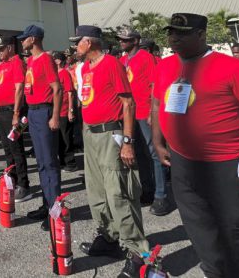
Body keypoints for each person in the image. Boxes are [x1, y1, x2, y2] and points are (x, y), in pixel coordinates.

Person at [151, 13, 239, 278]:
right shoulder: (165, 66)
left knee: (237, 234)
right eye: (171, 32)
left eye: (181, 33)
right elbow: (156, 103)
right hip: (183, 163)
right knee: (200, 229)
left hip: (226, 164)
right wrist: (158, 141)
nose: (173, 38)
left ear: (201, 34)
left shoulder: (233, 67)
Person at [71, 25, 150, 278]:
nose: (75, 47)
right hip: (91, 134)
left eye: (78, 42)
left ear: (90, 43)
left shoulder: (111, 64)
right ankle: (109, 238)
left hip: (110, 134)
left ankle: (139, 254)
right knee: (97, 192)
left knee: (119, 193)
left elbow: (128, 103)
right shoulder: (87, 68)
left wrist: (128, 141)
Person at [117, 28, 170, 215]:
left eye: (126, 39)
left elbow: (155, 84)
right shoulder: (122, 61)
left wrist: (151, 113)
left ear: (136, 40)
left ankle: (161, 195)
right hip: (129, 115)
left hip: (144, 111)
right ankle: (148, 190)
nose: (122, 42)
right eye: (120, 39)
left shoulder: (146, 58)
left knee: (154, 154)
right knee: (139, 155)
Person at [17, 24, 61, 231]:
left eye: (24, 38)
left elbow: (57, 89)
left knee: (49, 162)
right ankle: (47, 204)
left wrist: (54, 116)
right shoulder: (32, 61)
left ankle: (55, 209)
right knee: (42, 162)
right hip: (33, 112)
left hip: (44, 111)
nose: (22, 41)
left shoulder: (45, 59)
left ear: (33, 39)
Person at [0, 34, 31, 202]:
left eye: (1, 49)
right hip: (1, 111)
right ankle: (11, 179)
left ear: (9, 48)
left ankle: (24, 184)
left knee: (16, 148)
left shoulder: (17, 63)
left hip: (12, 112)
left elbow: (19, 89)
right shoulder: (2, 65)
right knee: (7, 148)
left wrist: (16, 113)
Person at [53, 51, 77, 172]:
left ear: (59, 61)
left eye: (55, 59)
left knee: (66, 138)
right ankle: (62, 161)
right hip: (57, 111)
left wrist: (70, 110)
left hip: (64, 110)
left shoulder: (64, 73)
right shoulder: (54, 74)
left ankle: (70, 163)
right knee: (59, 139)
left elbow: (70, 93)